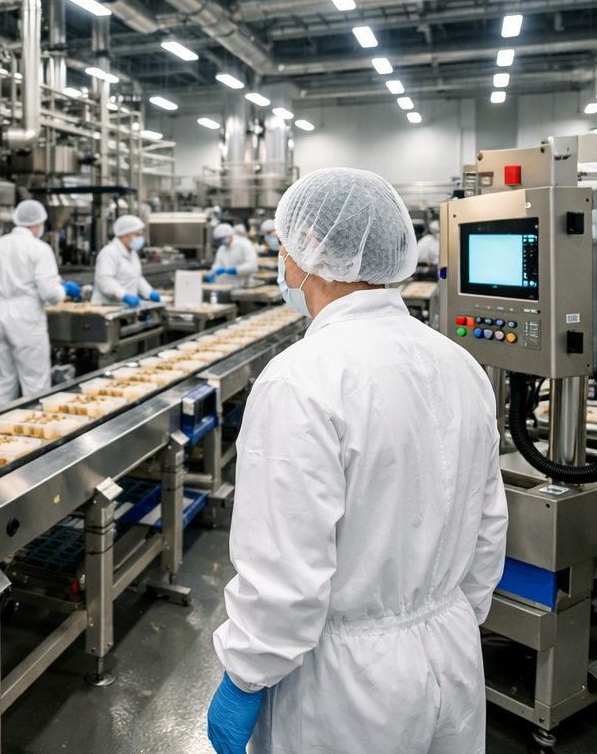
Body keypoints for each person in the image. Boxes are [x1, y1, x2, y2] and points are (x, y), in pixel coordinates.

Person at [207, 167, 507, 754]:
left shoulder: (301, 378)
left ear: (310, 249)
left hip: (346, 691)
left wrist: (245, 674)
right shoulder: (459, 363)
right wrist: (446, 618)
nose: (281, 262)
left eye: (283, 247)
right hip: (453, 659)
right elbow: (489, 526)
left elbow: (284, 572)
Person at [0, 199, 78, 405]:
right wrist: (64, 290)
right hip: (26, 315)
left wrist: (5, 287)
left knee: (3, 380)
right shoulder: (39, 248)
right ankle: (36, 423)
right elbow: (49, 292)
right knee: (35, 382)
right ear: (39, 223)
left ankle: (0, 424)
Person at [92, 214, 160, 307]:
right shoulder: (109, 252)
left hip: (125, 306)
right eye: (137, 234)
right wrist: (124, 295)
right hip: (106, 306)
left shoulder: (132, 253)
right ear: (124, 235)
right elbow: (105, 280)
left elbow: (137, 278)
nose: (140, 237)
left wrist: (149, 292)